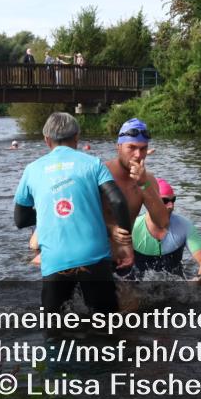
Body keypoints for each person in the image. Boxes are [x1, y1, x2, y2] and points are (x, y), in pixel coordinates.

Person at [13, 112, 132, 315]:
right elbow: (118, 201)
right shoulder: (93, 163)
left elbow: (20, 220)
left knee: (54, 329)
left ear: (46, 140)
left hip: (55, 260)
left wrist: (46, 210)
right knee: (107, 325)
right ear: (77, 137)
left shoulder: (31, 170)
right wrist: (123, 242)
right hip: (94, 257)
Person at [101, 118, 168, 273]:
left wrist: (143, 184)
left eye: (143, 148)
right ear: (118, 146)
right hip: (95, 258)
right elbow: (79, 217)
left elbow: (162, 221)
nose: (138, 155)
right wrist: (109, 229)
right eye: (131, 147)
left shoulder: (148, 179)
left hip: (126, 260)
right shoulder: (100, 174)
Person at [117, 178, 201, 284]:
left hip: (175, 284)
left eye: (173, 200)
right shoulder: (133, 227)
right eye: (165, 201)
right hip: (140, 286)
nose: (171, 206)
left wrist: (198, 280)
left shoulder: (184, 225)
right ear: (150, 202)